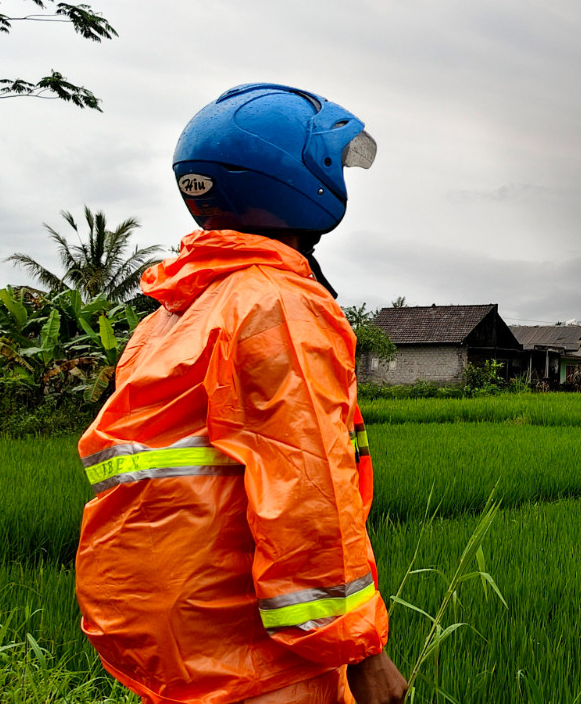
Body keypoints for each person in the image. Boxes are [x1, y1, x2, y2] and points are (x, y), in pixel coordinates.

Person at [75, 83, 407, 704]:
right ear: (298, 180)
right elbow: (308, 494)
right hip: (251, 649)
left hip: (175, 635)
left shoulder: (174, 312)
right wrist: (362, 654)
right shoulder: (277, 306)